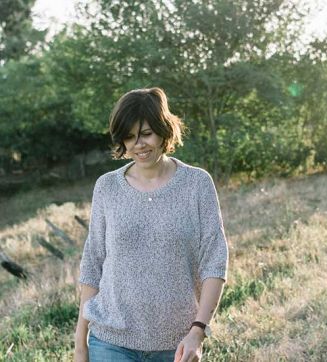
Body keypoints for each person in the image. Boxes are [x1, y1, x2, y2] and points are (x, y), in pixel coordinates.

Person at [73, 87, 229, 362]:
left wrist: (198, 331)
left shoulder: (197, 184)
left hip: (177, 344)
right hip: (110, 342)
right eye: (129, 137)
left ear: (163, 130)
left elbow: (215, 261)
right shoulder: (107, 187)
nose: (138, 145)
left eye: (146, 134)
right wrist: (80, 345)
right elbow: (93, 263)